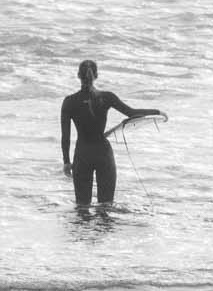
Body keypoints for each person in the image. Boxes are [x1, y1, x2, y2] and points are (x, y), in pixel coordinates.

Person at [60, 59, 164, 218]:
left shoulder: (69, 102)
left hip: (83, 154)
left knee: (82, 210)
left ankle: (81, 240)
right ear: (96, 75)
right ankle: (105, 241)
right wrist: (157, 111)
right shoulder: (106, 97)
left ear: (78, 76)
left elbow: (65, 137)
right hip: (103, 154)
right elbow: (131, 113)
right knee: (105, 209)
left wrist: (67, 162)